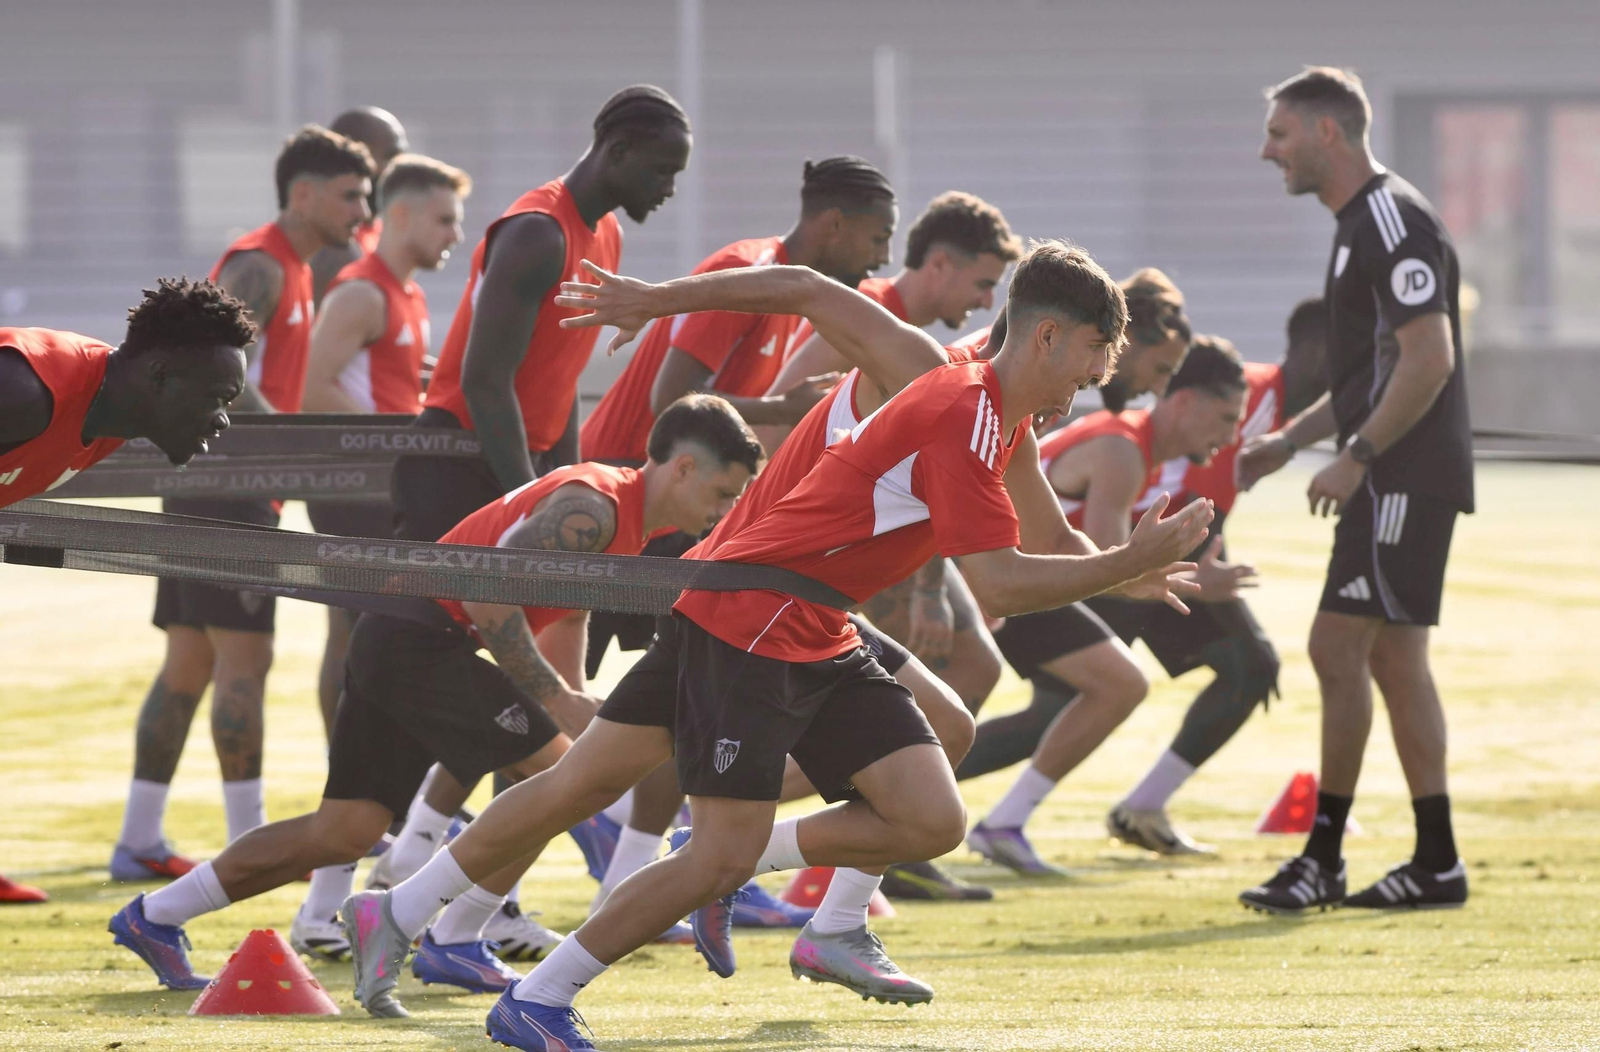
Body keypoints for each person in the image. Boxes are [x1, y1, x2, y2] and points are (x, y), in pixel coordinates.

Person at [341, 242, 1213, 1047]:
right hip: (750, 620)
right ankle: (541, 996)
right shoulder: (954, 401)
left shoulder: (999, 419)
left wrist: (1127, 572)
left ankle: (403, 907)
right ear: (1046, 335)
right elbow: (1000, 586)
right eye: (1093, 357)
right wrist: (657, 300)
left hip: (806, 623)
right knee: (693, 834)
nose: (1097, 381)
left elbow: (1050, 542)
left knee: (927, 816)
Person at [106, 395, 763, 997]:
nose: (725, 511)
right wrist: (558, 702)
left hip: (400, 638)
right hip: (420, 640)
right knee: (564, 780)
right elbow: (485, 592)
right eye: (723, 493)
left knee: (344, 831)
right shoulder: (595, 508)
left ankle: (155, 916)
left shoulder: (626, 518)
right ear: (682, 468)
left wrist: (572, 697)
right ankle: (454, 938)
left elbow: (566, 613)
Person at [110, 127, 374, 883]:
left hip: (211, 480)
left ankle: (138, 838)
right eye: (351, 196)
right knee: (245, 662)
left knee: (190, 662)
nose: (362, 212)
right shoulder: (260, 263)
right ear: (303, 194)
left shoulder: (292, 266)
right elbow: (215, 370)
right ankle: (248, 851)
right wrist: (283, 443)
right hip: (230, 484)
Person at [1239, 66, 1473, 914]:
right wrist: (1288, 442)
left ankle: (1324, 859)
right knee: (1393, 660)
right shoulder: (1358, 225)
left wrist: (1360, 456)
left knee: (1336, 648)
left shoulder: (1389, 219)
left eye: (1279, 134)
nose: (1268, 152)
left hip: (1400, 476)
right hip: (1397, 472)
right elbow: (1369, 373)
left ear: (1327, 132)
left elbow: (1429, 358)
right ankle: (1436, 862)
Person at [762, 190, 1022, 901]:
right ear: (939, 265)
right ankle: (816, 852)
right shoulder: (877, 315)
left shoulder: (939, 354)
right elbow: (779, 416)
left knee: (967, 679)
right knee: (907, 709)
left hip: (886, 528)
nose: (986, 301)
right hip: (821, 540)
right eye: (981, 283)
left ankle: (865, 860)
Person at [0, 280, 252, 903]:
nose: (223, 418)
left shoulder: (111, 416)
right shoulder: (25, 389)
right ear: (160, 376)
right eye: (218, 397)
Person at [965, 336, 1253, 875]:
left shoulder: (1133, 448)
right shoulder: (1122, 450)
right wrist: (1191, 581)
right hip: (1009, 578)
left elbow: (1101, 563)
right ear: (1185, 402)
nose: (1230, 436)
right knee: (1115, 687)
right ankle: (945, 811)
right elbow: (1103, 560)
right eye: (1225, 418)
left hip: (1023, 576)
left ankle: (970, 814)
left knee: (1083, 699)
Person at [396, 85, 692, 547]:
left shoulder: (607, 233)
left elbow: (561, 375)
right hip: (458, 461)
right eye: (662, 171)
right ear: (618, 152)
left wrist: (568, 478)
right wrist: (532, 499)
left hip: (514, 461)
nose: (669, 189)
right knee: (422, 600)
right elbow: (485, 382)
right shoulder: (537, 234)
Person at [1107, 297, 1327, 853]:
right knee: (1076, 692)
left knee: (1246, 666)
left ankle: (1140, 808)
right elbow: (1200, 505)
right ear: (1321, 352)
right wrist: (1209, 584)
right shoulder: (1254, 398)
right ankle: (940, 812)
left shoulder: (1272, 404)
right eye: (1358, 355)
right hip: (1128, 544)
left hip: (1145, 542)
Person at [301, 154, 470, 738]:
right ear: (400, 215)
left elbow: (391, 377)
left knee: (366, 631)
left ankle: (365, 772)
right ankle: (350, 769)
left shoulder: (407, 294)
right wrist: (402, 446)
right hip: (355, 488)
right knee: (365, 630)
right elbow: (311, 389)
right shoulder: (361, 294)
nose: (456, 235)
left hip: (385, 486)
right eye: (445, 220)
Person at [312, 106, 411, 302]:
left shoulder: (379, 234)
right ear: (356, 156)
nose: (401, 168)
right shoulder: (334, 247)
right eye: (391, 157)